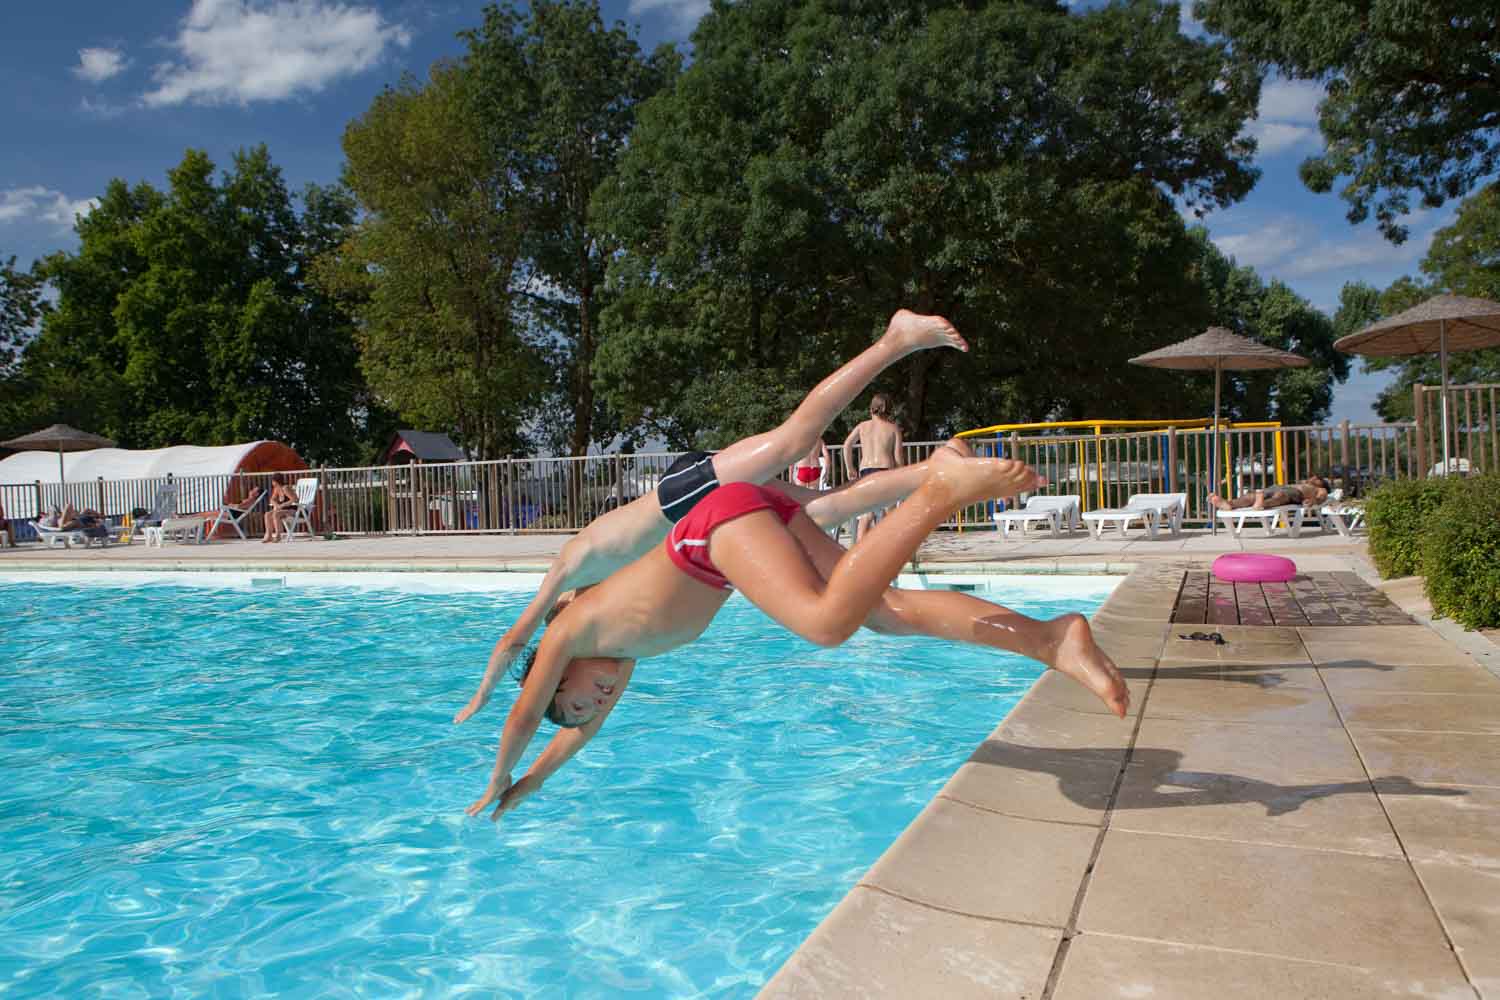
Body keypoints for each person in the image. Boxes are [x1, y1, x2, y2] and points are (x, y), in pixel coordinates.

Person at [465, 448, 1132, 821]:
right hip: (747, 522)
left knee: (824, 623)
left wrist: (499, 775)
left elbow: (527, 716)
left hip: (717, 529)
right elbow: (575, 733)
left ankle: (939, 493)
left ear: (558, 673)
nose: (597, 699)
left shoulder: (576, 628)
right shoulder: (621, 655)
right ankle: (1050, 639)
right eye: (593, 707)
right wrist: (534, 785)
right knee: (883, 611)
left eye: (580, 696)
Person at [453, 309, 970, 726]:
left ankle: (896, 340)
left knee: (792, 440)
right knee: (827, 507)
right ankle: (937, 468)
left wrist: (482, 697)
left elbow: (514, 640)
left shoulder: (570, 572)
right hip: (699, 510)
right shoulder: (606, 606)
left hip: (682, 493)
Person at [841, 392, 904, 540]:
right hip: (885, 471)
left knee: (866, 515)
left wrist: (850, 467)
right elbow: (898, 458)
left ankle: (859, 552)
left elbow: (847, 445)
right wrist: (902, 477)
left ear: (871, 409)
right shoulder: (893, 429)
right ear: (888, 410)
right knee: (890, 513)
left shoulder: (862, 427)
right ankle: (890, 549)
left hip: (866, 471)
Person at [1207, 475, 1329, 512]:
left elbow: (1321, 498)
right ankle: (1228, 504)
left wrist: (1313, 501)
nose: (1313, 477)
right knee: (1251, 496)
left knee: (1280, 496)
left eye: (1317, 477)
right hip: (1278, 486)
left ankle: (1262, 504)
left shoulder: (1320, 489)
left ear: (1321, 483)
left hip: (1294, 493)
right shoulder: (1304, 482)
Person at [263, 474, 297, 542]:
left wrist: (282, 505)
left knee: (276, 514)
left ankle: (278, 536)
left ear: (275, 481)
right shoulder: (276, 489)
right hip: (283, 511)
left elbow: (295, 499)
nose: (272, 483)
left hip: (293, 510)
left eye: (272, 481)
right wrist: (277, 505)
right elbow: (272, 500)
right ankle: (269, 536)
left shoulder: (285, 488)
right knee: (267, 514)